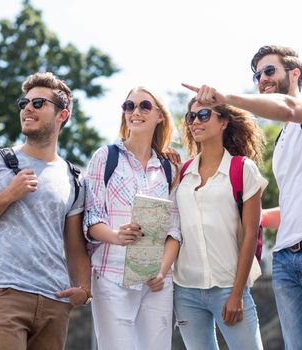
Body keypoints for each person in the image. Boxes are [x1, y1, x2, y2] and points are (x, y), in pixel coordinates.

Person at [183, 45, 302, 349]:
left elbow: (289, 108)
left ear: (294, 73)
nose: (262, 78)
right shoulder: (283, 142)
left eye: (270, 70)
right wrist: (246, 213)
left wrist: (225, 98)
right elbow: (293, 207)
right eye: (257, 75)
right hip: (285, 259)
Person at [0, 72, 91, 350]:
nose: (27, 108)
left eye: (38, 103)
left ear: (62, 114)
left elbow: (75, 245)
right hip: (5, 293)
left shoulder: (74, 178)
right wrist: (8, 195)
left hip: (55, 300)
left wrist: (85, 290)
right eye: (24, 102)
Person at [83, 87, 181, 350]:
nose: (135, 112)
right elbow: (91, 218)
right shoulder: (105, 157)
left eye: (144, 106)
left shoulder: (168, 168)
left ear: (159, 115)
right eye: (129, 106)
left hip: (156, 282)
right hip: (111, 276)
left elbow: (174, 230)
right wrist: (115, 236)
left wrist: (162, 271)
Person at [173, 97, 267, 350]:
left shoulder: (242, 169)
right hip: (185, 291)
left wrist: (237, 294)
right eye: (191, 116)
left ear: (224, 121)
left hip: (229, 287)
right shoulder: (181, 172)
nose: (195, 121)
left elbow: (250, 234)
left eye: (204, 115)